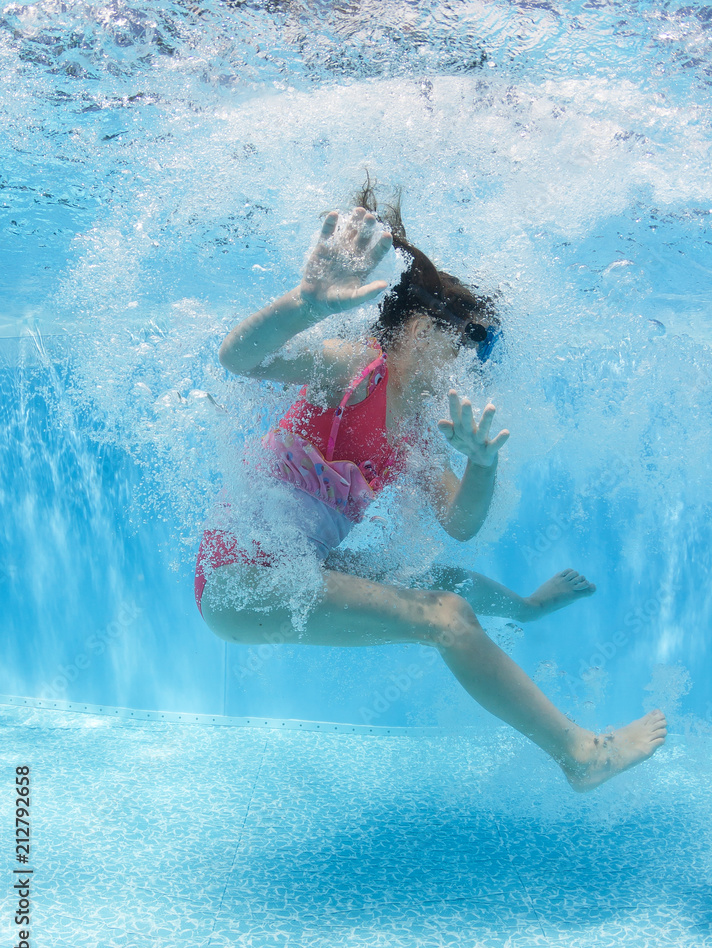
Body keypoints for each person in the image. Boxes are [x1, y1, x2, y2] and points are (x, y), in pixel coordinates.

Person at [194, 193, 666, 792]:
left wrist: (482, 466)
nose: (467, 363)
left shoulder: (416, 430)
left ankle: (523, 608)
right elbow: (239, 358)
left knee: (446, 582)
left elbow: (460, 523)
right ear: (416, 330)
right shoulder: (353, 370)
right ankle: (580, 754)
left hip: (297, 566)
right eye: (461, 343)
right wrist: (304, 304)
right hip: (238, 584)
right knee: (446, 617)